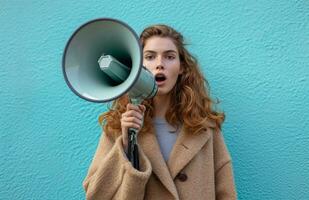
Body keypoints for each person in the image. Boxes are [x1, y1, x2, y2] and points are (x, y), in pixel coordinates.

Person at [83, 24, 237, 200]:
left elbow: (226, 193)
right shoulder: (118, 127)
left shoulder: (205, 127)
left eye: (169, 57)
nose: (159, 64)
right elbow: (94, 194)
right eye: (150, 57)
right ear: (138, 68)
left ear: (182, 68)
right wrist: (126, 146)